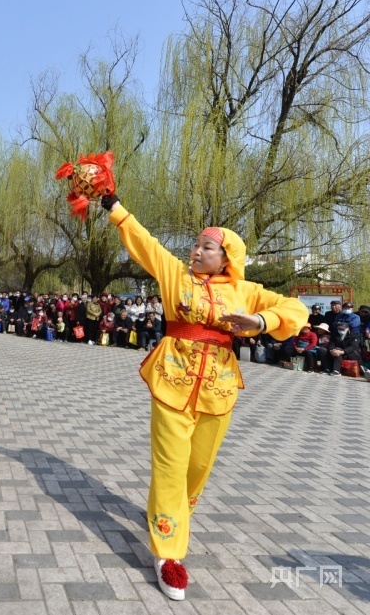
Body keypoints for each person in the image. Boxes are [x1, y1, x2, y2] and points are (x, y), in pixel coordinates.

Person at [100, 193, 307, 601]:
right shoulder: (175, 274)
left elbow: (295, 309)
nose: (196, 251)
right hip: (172, 382)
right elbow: (143, 240)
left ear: (226, 257)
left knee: (199, 467)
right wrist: (113, 203)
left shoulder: (247, 291)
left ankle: (171, 515)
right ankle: (168, 552)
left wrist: (262, 320)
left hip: (218, 388)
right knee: (170, 466)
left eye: (206, 247)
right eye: (195, 245)